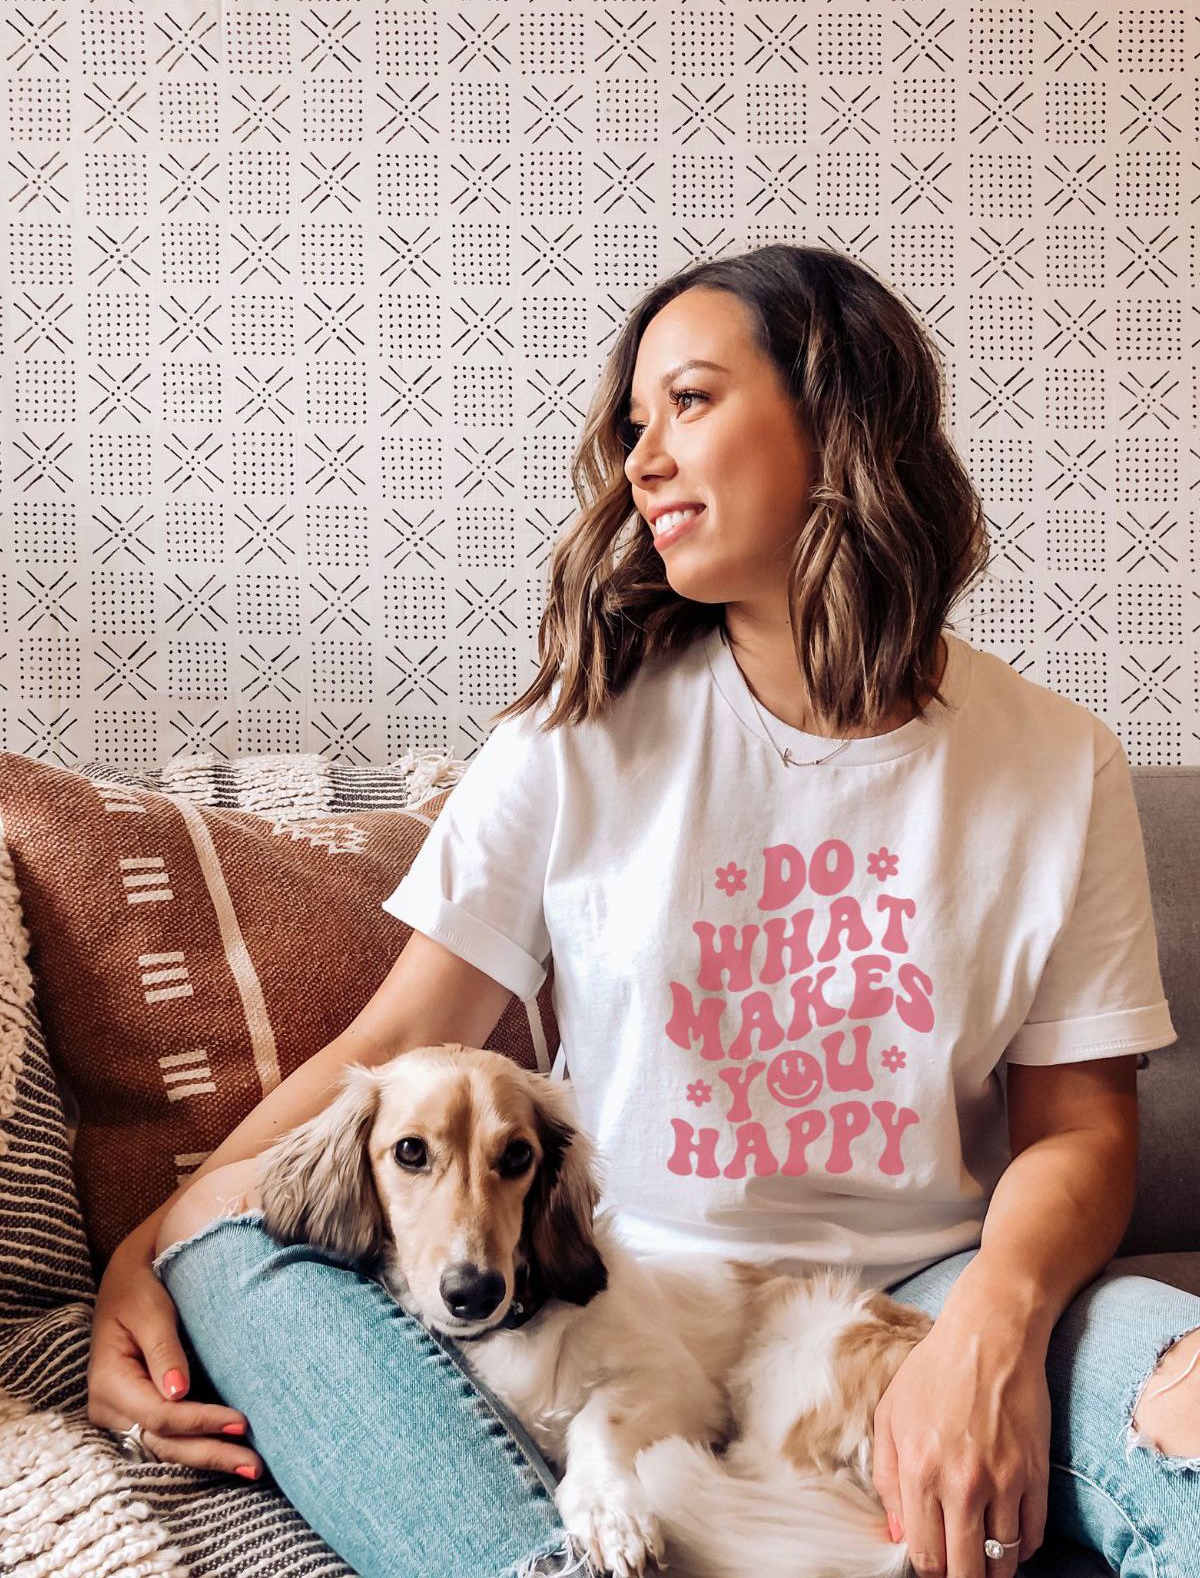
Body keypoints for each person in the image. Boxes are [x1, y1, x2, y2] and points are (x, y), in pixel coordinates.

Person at [86, 244, 1199, 1578]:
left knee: (1186, 1393)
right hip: (602, 1287)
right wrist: (143, 1252)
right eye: (631, 428)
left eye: (689, 402)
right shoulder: (574, 735)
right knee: (228, 1255)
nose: (642, 462)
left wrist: (994, 1335)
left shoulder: (1052, 762)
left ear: (835, 416)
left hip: (910, 1294)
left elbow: (1078, 1129)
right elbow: (385, 1058)